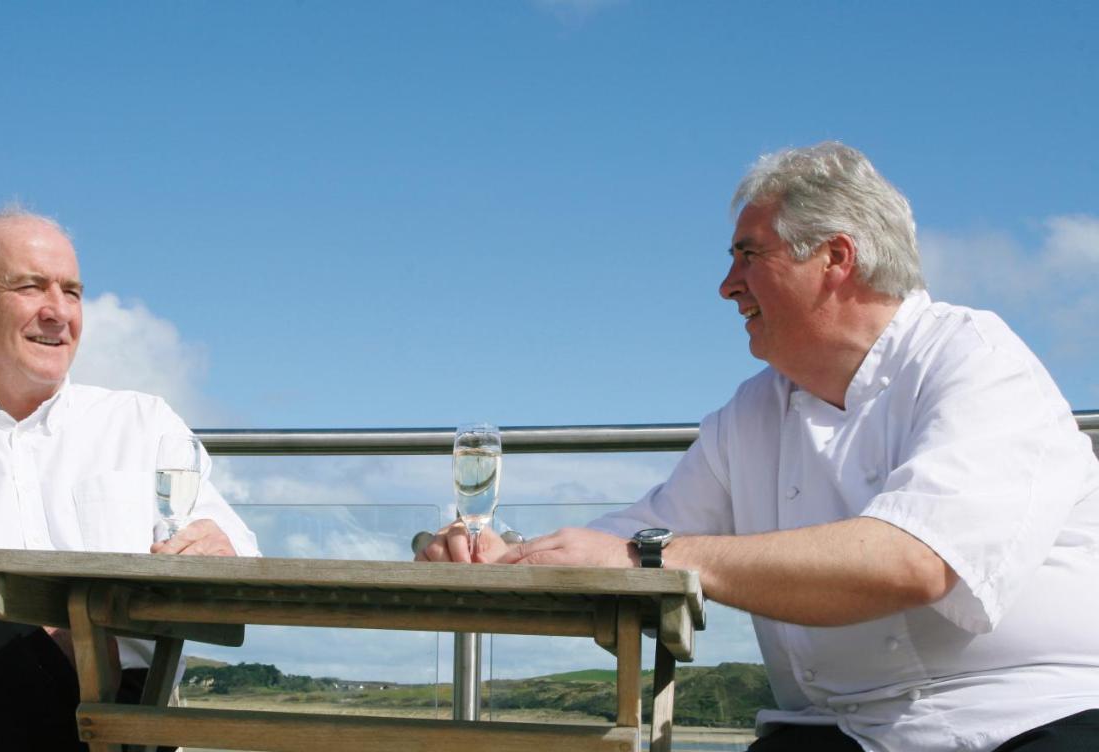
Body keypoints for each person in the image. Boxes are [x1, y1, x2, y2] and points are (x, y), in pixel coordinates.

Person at [418, 143, 1099, 751]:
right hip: (835, 732)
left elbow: (914, 561)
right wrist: (497, 556)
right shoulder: (751, 413)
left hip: (1035, 712)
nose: (726, 286)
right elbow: (617, 544)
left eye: (749, 254)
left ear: (835, 257)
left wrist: (649, 554)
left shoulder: (974, 357)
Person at [0, 208, 260, 751]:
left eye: (73, 291)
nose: (59, 313)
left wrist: (218, 551)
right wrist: (57, 628)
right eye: (31, 286)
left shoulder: (145, 424)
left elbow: (238, 550)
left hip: (112, 698)